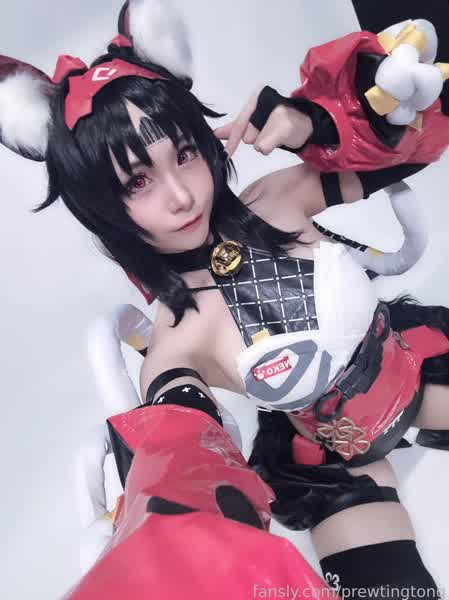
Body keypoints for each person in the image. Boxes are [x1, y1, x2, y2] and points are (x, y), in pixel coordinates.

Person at [1, 0, 449, 597]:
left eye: (184, 154)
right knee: (389, 591)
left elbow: (416, 150)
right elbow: (183, 467)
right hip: (329, 459)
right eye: (138, 180)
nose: (181, 195)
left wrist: (316, 124)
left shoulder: (278, 199)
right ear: (103, 206)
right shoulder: (174, 342)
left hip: (414, 365)